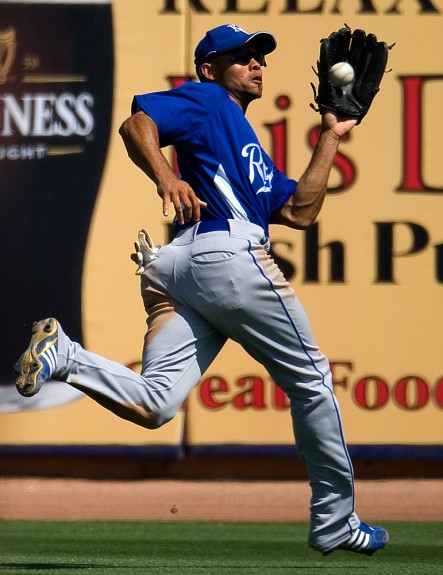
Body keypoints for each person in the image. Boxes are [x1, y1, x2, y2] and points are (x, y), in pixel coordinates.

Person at [14, 24, 388, 556]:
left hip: (178, 267)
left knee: (157, 404)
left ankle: (64, 356)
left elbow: (299, 210)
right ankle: (335, 520)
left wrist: (331, 133)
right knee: (313, 380)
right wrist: (166, 177)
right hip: (224, 256)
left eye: (258, 56)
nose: (255, 64)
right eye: (240, 57)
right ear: (211, 68)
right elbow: (135, 123)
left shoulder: (243, 140)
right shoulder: (208, 98)